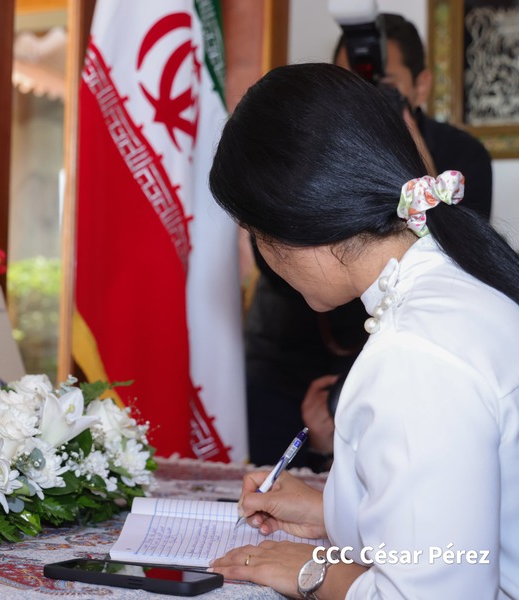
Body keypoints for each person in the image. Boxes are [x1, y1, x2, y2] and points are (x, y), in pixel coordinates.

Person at [206, 62, 519, 598]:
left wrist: (312, 572)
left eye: (255, 232)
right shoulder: (461, 282)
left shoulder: (414, 354)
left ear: (296, 223)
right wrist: (332, 514)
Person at [244, 13, 493, 468]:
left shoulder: (459, 155)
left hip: (394, 346)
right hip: (296, 350)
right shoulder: (315, 149)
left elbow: (455, 246)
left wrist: (404, 150)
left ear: (421, 85)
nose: (364, 100)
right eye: (350, 85)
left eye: (383, 86)